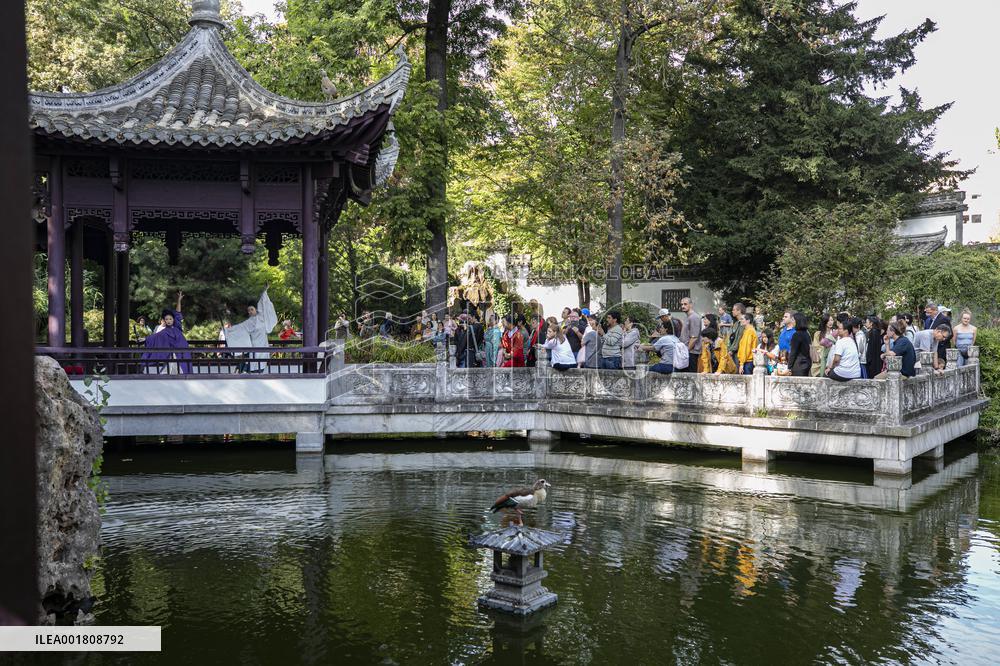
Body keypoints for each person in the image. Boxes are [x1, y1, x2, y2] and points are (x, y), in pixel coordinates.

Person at [224, 286, 279, 373]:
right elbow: (241, 327)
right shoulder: (250, 321)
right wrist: (228, 330)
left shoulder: (262, 318)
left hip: (263, 344)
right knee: (254, 364)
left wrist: (264, 293)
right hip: (254, 345)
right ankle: (246, 372)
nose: (250, 312)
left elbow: (264, 305)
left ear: (256, 309)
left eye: (252, 309)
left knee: (261, 364)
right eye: (248, 310)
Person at [142, 300, 191, 374]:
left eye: (170, 319)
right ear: (164, 320)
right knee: (174, 370)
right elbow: (154, 337)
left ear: (173, 320)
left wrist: (179, 300)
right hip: (175, 355)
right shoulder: (164, 332)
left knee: (185, 369)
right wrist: (144, 339)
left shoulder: (177, 327)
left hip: (184, 352)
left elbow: (177, 312)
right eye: (166, 319)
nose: (168, 321)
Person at [679, 297, 702, 373]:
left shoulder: (694, 317)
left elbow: (694, 337)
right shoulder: (687, 317)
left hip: (692, 353)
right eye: (681, 304)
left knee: (691, 377)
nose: (683, 306)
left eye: (685, 304)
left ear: (691, 305)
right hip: (687, 352)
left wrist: (686, 351)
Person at [787, 312, 812, 377]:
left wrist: (789, 367)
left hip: (798, 365)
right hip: (807, 363)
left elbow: (793, 352)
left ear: (797, 321)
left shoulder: (796, 335)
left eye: (793, 320)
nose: (791, 322)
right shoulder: (807, 334)